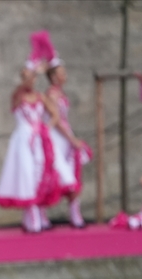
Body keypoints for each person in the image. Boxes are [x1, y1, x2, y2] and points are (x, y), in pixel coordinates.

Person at [0, 35, 62, 233]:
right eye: (26, 77)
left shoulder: (40, 96)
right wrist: (31, 68)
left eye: (32, 78)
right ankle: (32, 217)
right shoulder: (18, 96)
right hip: (23, 140)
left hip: (38, 139)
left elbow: (55, 115)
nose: (30, 81)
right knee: (26, 175)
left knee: (40, 174)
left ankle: (37, 215)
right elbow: (18, 94)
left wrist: (46, 128)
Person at [36, 32, 91, 228]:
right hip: (56, 137)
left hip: (65, 136)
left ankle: (75, 213)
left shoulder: (60, 93)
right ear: (52, 76)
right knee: (55, 175)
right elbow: (56, 120)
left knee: (73, 174)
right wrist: (71, 139)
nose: (64, 76)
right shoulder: (51, 94)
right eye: (61, 73)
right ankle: (42, 215)